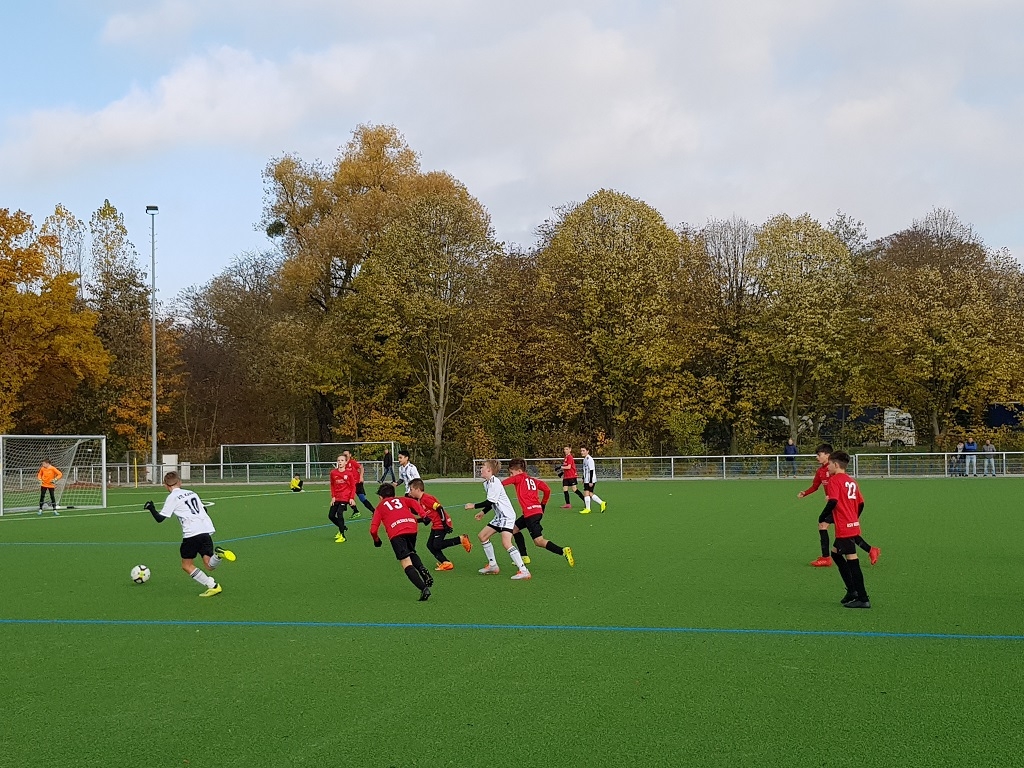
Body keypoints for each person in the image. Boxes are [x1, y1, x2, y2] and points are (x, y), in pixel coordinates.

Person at [144, 471, 235, 597]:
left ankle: (213, 586)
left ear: (165, 485)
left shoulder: (172, 497)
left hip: (192, 534)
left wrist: (151, 508)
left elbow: (160, 519)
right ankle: (218, 555)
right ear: (180, 482)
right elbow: (204, 509)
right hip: (205, 530)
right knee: (209, 565)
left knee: (186, 565)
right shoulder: (192, 493)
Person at [798, 443, 879, 567]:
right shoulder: (820, 471)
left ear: (827, 455)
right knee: (841, 530)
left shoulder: (834, 471)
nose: (817, 457)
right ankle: (870, 550)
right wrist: (805, 493)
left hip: (838, 505)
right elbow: (815, 486)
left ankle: (827, 558)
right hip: (835, 504)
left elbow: (841, 487)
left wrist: (832, 497)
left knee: (826, 526)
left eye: (819, 454)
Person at [464, 459, 531, 580]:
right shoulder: (487, 483)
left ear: (489, 470)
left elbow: (490, 501)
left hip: (506, 516)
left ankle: (524, 571)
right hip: (499, 517)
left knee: (506, 543)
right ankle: (493, 566)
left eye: (483, 467)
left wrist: (473, 506)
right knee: (482, 536)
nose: (481, 469)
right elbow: (492, 501)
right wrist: (483, 512)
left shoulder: (495, 483)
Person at [502, 458, 574, 568]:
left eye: (512, 473)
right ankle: (524, 557)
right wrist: (543, 504)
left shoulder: (518, 478)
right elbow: (547, 490)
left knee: (538, 541)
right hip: (536, 512)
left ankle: (563, 550)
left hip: (530, 514)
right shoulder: (534, 480)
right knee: (514, 528)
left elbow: (502, 483)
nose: (511, 476)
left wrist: (492, 485)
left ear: (519, 471)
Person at [369, 483, 433, 601]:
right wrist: (424, 516)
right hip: (411, 527)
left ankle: (423, 588)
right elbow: (413, 502)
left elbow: (373, 530)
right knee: (411, 552)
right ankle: (422, 569)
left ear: (381, 497)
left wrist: (376, 540)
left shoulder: (380, 507)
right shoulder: (401, 499)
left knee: (405, 562)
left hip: (397, 531)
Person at [823, 451, 871, 609]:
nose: (827, 467)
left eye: (830, 464)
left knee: (852, 560)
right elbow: (861, 503)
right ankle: (852, 591)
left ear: (836, 465)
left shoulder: (834, 480)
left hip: (845, 526)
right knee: (836, 554)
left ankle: (862, 597)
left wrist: (823, 516)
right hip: (851, 523)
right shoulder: (852, 481)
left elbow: (833, 501)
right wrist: (853, 518)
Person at [407, 478, 472, 570]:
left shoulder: (426, 498)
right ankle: (446, 563)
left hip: (442, 523)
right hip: (436, 524)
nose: (410, 492)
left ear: (417, 489)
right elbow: (427, 519)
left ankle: (461, 539)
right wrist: (414, 520)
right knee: (430, 545)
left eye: (411, 489)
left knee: (437, 545)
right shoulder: (421, 501)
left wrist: (445, 524)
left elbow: (439, 508)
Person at [328, 455, 357, 543]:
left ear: (345, 462)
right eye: (339, 460)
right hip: (336, 497)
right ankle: (342, 527)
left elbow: (353, 486)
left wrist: (351, 498)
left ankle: (342, 535)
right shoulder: (333, 473)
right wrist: (333, 497)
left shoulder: (349, 474)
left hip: (345, 497)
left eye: (342, 460)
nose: (340, 462)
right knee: (331, 516)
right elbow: (332, 485)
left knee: (339, 513)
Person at [341, 450, 377, 516]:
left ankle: (374, 511)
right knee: (347, 497)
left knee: (362, 498)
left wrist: (361, 477)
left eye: (346, 454)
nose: (345, 456)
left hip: (357, 483)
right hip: (350, 485)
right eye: (344, 455)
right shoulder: (343, 464)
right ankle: (356, 511)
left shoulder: (352, 462)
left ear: (350, 455)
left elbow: (361, 468)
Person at [579, 447, 606, 514]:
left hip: (590, 479)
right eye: (581, 451)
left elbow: (591, 470)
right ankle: (602, 503)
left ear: (587, 451)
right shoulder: (585, 459)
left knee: (586, 493)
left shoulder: (589, 459)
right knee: (589, 493)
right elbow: (585, 470)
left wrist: (590, 481)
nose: (582, 452)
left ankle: (588, 509)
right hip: (587, 479)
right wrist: (583, 478)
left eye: (583, 451)